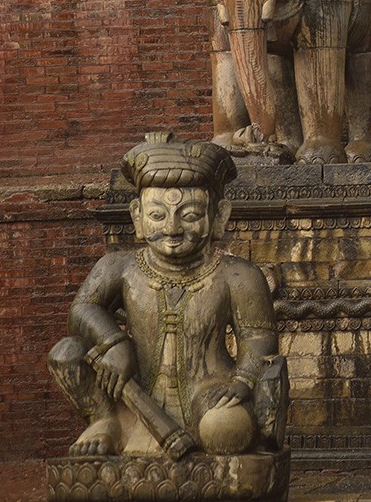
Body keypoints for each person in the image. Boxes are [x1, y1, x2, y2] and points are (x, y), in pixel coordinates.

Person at [48, 132, 284, 458]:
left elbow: (258, 337)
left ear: (219, 216)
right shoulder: (118, 268)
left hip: (208, 389)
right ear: (137, 217)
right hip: (128, 389)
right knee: (66, 353)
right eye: (157, 214)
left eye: (189, 215)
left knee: (226, 431)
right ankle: (106, 421)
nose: (172, 228)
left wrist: (242, 382)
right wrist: (113, 343)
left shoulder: (238, 275)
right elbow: (82, 309)